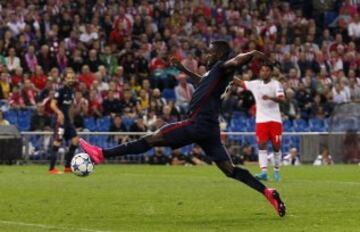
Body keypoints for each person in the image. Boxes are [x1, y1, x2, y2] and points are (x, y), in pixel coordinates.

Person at [79, 41, 286, 217]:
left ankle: (101, 154)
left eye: (211, 51)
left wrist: (251, 54)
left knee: (153, 138)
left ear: (220, 54)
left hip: (197, 123)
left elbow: (236, 60)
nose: (207, 54)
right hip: (209, 128)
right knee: (229, 170)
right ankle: (268, 192)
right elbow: (202, 81)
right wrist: (184, 70)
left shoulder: (223, 67)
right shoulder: (213, 74)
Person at [233, 63, 286, 182]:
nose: (264, 72)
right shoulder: (255, 84)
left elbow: (282, 99)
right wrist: (225, 73)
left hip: (275, 120)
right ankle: (264, 172)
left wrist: (270, 98)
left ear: (271, 73)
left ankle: (276, 171)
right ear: (260, 72)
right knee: (262, 145)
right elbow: (241, 83)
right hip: (261, 120)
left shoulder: (276, 84)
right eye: (263, 70)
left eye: (267, 70)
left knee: (276, 147)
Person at [48, 69, 79, 174]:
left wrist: (71, 119)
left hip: (67, 121)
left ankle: (67, 167)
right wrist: (59, 113)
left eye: (72, 78)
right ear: (65, 79)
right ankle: (52, 169)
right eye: (69, 78)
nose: (71, 80)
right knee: (57, 142)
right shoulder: (60, 91)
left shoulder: (72, 91)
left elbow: (69, 107)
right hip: (59, 120)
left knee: (75, 140)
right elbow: (52, 104)